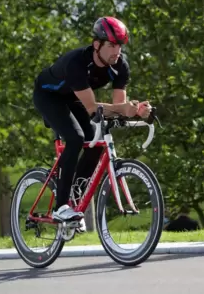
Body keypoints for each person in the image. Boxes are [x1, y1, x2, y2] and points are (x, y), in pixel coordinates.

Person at [33, 16, 152, 224]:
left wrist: (136, 110)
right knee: (76, 138)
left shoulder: (120, 66)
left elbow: (118, 109)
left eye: (120, 46)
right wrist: (121, 108)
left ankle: (75, 201)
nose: (117, 51)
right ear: (97, 45)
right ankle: (61, 207)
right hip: (48, 96)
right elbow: (91, 108)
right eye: (112, 45)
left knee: (96, 144)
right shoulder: (77, 63)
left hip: (73, 98)